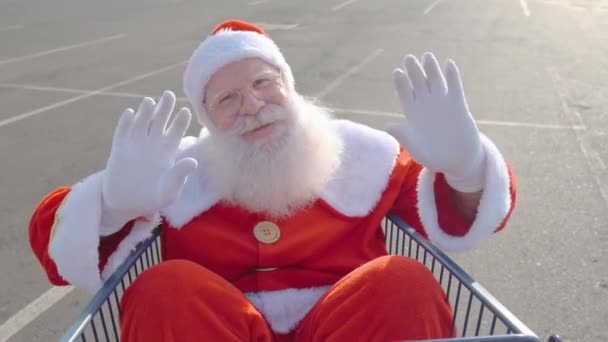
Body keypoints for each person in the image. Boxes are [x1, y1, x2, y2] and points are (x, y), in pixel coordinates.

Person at [29, 19, 516, 342]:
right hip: (221, 326)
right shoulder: (178, 171)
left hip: (341, 321)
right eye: (226, 99)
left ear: (288, 85)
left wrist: (466, 167)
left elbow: (455, 212)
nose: (252, 106)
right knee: (163, 288)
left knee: (404, 282)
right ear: (206, 118)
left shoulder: (361, 154)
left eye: (263, 82)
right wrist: (112, 201)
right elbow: (52, 244)